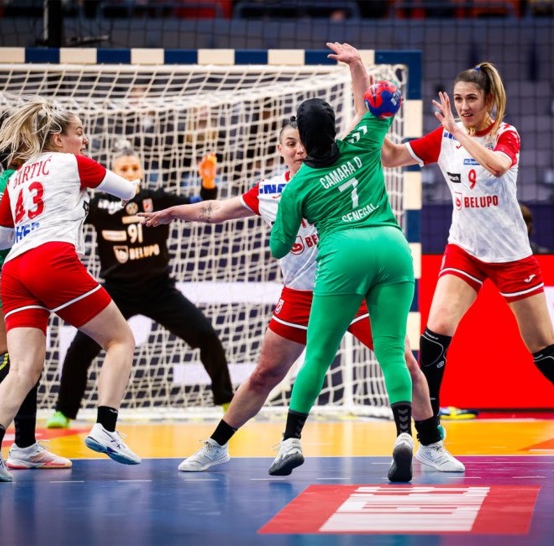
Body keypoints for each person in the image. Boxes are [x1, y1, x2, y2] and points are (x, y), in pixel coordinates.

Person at [140, 44, 462, 478]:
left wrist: (357, 69)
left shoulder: (340, 155)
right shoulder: (274, 192)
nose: (295, 149)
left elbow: (360, 111)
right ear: (280, 149)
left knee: (403, 360)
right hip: (305, 295)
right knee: (265, 374)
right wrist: (172, 212)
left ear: (311, 143)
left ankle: (431, 443)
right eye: (288, 144)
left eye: (299, 142)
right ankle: (217, 445)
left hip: (358, 286)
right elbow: (214, 210)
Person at [266, 43, 417, 482]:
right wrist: (358, 67)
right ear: (335, 128)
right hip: (391, 245)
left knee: (318, 352)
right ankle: (404, 435)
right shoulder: (362, 139)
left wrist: (291, 220)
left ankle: (291, 441)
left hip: (343, 255)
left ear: (302, 139)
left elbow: (279, 247)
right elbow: (380, 101)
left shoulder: (298, 185)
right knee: (392, 349)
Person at [0, 98, 142, 482]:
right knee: (120, 340)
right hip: (53, 260)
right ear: (56, 138)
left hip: (15, 270)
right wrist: (132, 183)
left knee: (23, 368)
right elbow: (127, 192)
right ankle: (106, 428)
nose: (84, 140)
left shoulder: (17, 177)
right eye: (78, 133)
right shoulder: (73, 163)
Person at [381, 63, 554, 422]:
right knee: (435, 332)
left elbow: (498, 166)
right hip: (465, 249)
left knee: (544, 352)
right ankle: (429, 428)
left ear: (488, 99)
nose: (464, 106)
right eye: (458, 99)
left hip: (511, 255)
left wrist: (457, 133)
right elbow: (391, 156)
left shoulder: (507, 133)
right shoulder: (445, 136)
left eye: (471, 98)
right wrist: (374, 114)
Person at [45, 146, 233, 429]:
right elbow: (64, 218)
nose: (130, 173)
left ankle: (227, 400)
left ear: (142, 172)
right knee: (78, 350)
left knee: (206, 335)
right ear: (113, 173)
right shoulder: (99, 204)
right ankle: (64, 411)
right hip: (117, 292)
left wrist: (208, 182)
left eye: (134, 168)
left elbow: (203, 205)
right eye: (124, 170)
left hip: (160, 290)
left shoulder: (156, 198)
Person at [0, 114, 71, 473]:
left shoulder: (2, 180)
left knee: (25, 357)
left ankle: (24, 446)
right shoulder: (26, 180)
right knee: (11, 357)